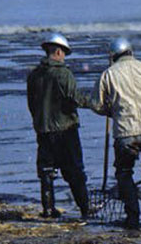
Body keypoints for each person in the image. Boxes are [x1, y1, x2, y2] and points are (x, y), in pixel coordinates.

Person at [91, 37, 141, 229]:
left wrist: (110, 110)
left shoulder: (108, 74)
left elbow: (96, 105)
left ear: (113, 56)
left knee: (124, 172)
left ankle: (133, 217)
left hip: (124, 131)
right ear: (130, 52)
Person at [26, 32, 94, 220]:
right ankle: (85, 210)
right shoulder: (64, 74)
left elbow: (31, 104)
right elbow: (75, 99)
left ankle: (48, 209)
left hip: (43, 130)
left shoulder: (34, 75)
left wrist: (39, 122)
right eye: (64, 53)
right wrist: (97, 104)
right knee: (75, 172)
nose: (64, 57)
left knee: (47, 172)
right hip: (65, 130)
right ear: (57, 52)